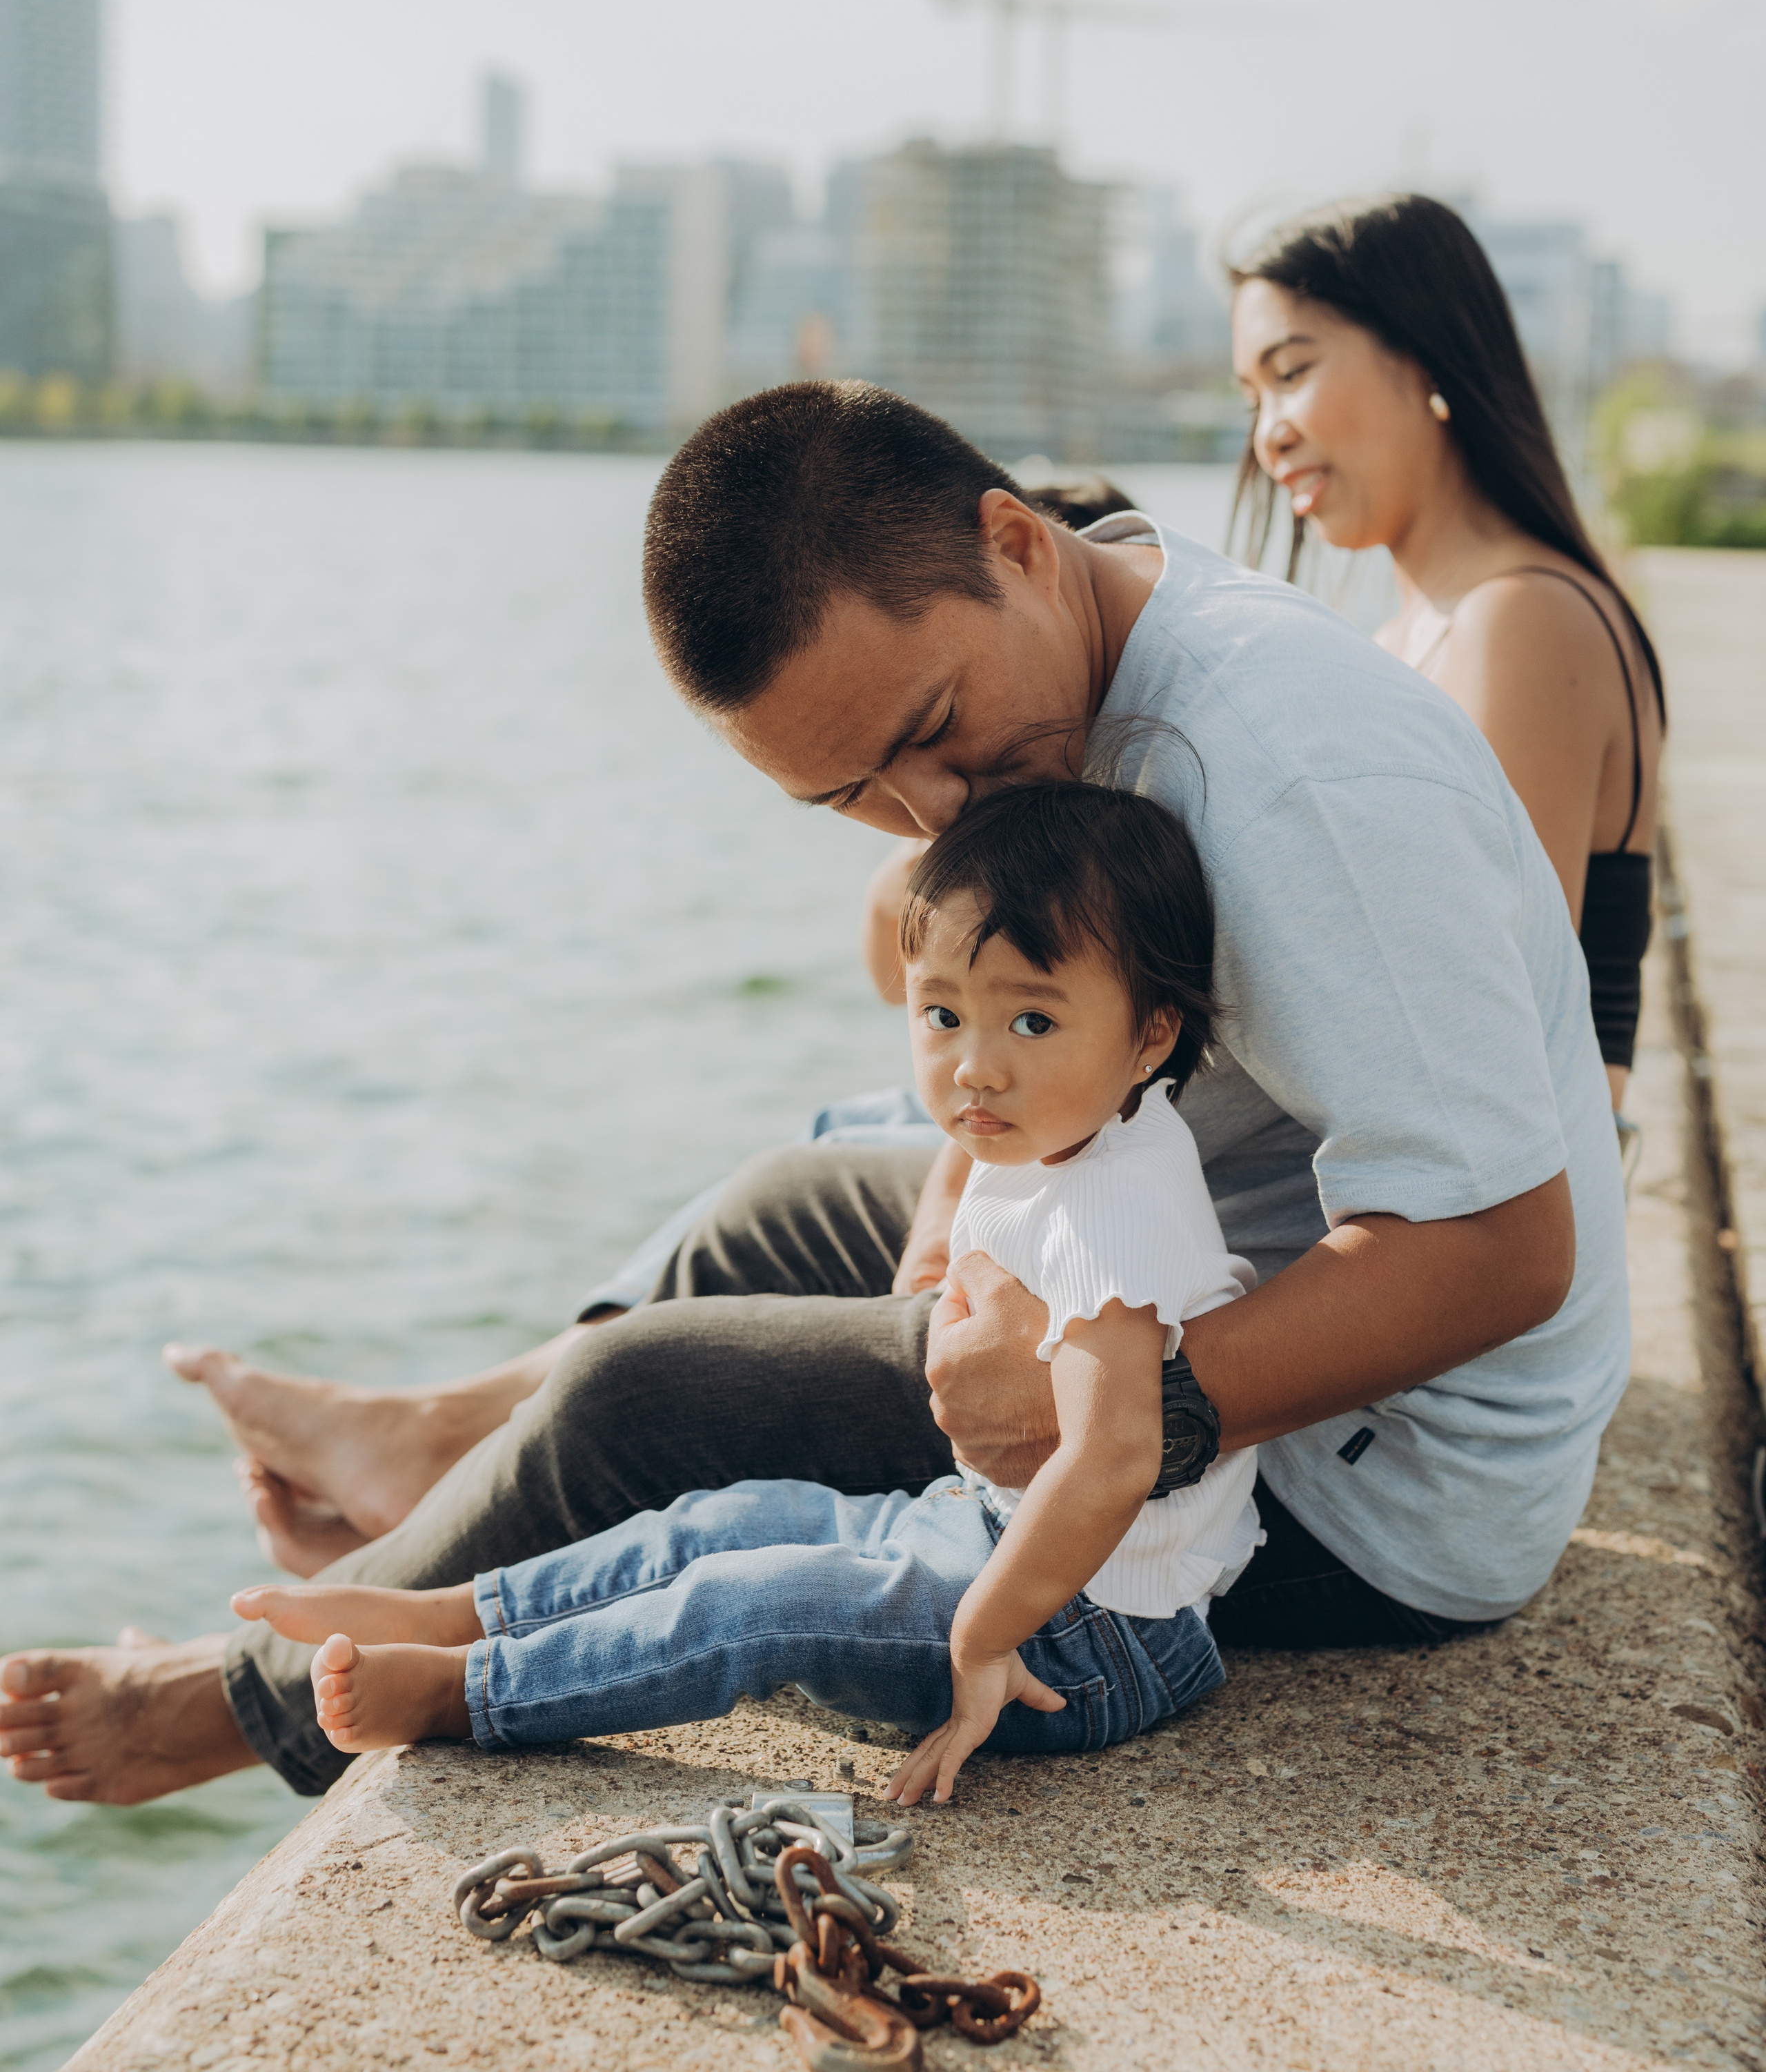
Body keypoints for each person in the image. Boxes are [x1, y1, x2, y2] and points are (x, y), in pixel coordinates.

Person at [1, 381, 1623, 1806]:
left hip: (1377, 1486)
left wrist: (1145, 1407)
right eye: (847, 794)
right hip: (1206, 1238)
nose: (924, 808)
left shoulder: (1289, 780)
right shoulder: (1119, 600)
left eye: (928, 732)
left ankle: (229, 1709)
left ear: (1011, 542)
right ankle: (438, 1463)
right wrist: (957, 1176)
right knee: (774, 1211)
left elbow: (1497, 1248)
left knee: (647, 1401)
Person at [224, 783, 1254, 1806]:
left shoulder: (1115, 1214)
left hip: (1086, 1642)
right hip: (997, 1541)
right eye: (941, 1014)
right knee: (725, 1521)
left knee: (749, 1604)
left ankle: (473, 1689)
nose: (975, 1068)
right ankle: (464, 1612)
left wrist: (983, 1637)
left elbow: (1113, 1455)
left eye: (1032, 1021)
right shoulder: (1061, 1122)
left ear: (1152, 1036)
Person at [1227, 193, 1664, 1108]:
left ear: (1423, 356)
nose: (1269, 434)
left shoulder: (1523, 621)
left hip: (1484, 1217)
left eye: (1293, 372)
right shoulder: (1413, 635)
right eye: (1254, 397)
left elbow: (1477, 1010)